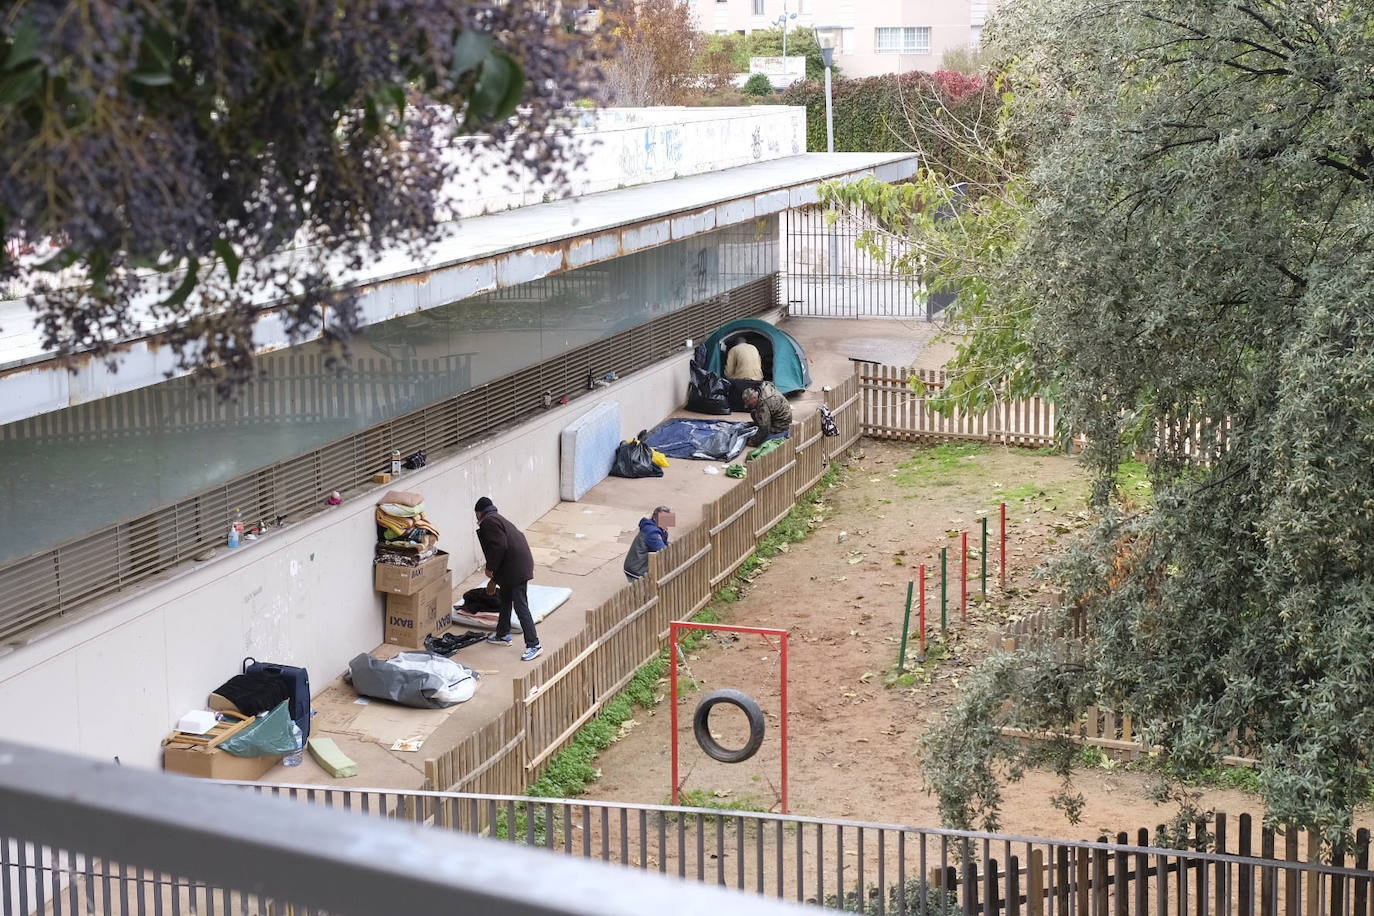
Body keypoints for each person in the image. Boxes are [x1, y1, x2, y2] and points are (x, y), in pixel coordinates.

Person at [474, 496, 542, 661]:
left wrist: (490, 570)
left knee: (520, 605)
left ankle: (534, 644)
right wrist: (494, 579)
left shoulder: (488, 522)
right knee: (505, 598)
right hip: (514, 565)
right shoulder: (496, 518)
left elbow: (499, 547)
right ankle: (502, 634)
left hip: (516, 568)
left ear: (478, 513)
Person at [623, 506, 672, 582]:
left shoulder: (656, 528)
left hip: (635, 565)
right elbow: (663, 551)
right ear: (655, 518)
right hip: (637, 569)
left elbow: (663, 542)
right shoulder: (653, 533)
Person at [743, 382, 792, 447]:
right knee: (754, 413)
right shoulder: (764, 389)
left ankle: (780, 433)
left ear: (753, 398)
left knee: (763, 441)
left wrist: (753, 441)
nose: (750, 406)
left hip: (782, 423)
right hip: (780, 414)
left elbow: (764, 428)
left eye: (749, 403)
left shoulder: (764, 403)